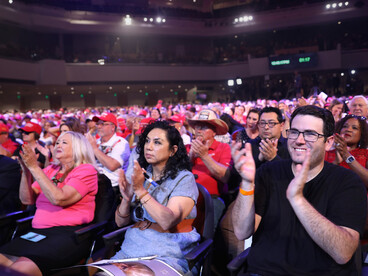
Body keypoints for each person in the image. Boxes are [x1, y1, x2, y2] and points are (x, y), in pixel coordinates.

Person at [232, 105, 367, 275]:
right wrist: (246, 184)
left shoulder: (346, 182)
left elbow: (343, 253)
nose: (299, 140)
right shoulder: (268, 172)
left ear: (329, 142)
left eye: (310, 134)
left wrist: (298, 200)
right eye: (294, 132)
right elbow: (241, 232)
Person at [0, 131, 98, 276]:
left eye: (64, 142)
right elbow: (27, 200)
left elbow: (59, 198)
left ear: (78, 148)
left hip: (67, 235)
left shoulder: (86, 170)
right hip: (37, 233)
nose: (58, 145)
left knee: (16, 272)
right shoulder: (51, 170)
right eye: (57, 142)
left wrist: (34, 167)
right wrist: (26, 170)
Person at [112, 121, 200, 274]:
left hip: (167, 255)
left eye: (157, 142)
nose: (149, 146)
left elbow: (167, 221)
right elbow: (120, 223)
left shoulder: (184, 179)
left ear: (173, 150)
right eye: (147, 141)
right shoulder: (143, 174)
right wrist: (126, 200)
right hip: (130, 251)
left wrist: (140, 191)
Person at [188, 109, 231, 228]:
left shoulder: (223, 147)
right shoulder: (187, 148)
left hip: (211, 199)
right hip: (185, 196)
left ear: (214, 132)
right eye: (197, 127)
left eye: (204, 127)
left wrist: (204, 156)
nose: (199, 130)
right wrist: (190, 156)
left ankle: (207, 245)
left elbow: (225, 177)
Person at [86, 112, 130, 194]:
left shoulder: (121, 143)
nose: (99, 127)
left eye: (103, 124)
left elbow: (112, 165)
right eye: (98, 124)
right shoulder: (96, 142)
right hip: (93, 184)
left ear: (112, 127)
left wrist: (94, 148)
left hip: (111, 187)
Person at [325, 114, 368, 187]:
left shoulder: (365, 154)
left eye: (354, 128)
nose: (348, 129)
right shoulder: (326, 153)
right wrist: (336, 162)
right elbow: (321, 182)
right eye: (345, 126)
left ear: (362, 134)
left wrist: (346, 155)